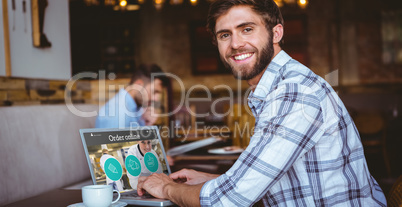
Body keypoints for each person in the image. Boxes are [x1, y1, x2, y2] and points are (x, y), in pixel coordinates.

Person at [136, 0, 387, 206]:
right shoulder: (282, 84)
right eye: (225, 35)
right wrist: (216, 178)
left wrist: (167, 188)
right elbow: (277, 180)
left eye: (247, 29)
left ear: (276, 33)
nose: (235, 44)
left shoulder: (293, 92)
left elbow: (227, 201)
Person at [95, 64, 169, 129]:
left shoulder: (137, 109)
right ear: (138, 85)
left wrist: (146, 123)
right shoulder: (118, 112)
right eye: (154, 92)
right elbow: (115, 145)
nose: (156, 99)